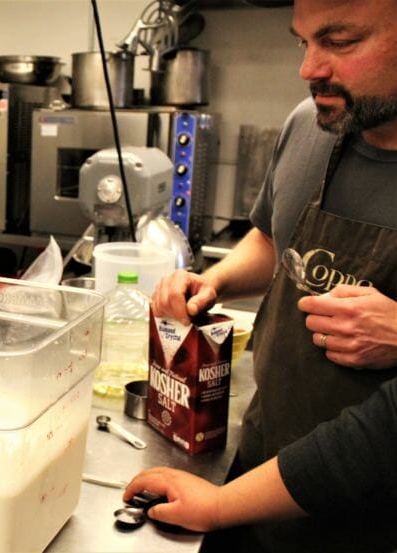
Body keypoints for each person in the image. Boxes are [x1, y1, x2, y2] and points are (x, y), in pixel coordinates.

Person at [146, 0, 397, 550]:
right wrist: (217, 280)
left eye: (340, 41)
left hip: (371, 518)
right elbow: (272, 236)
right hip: (260, 466)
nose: (309, 69)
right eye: (302, 42)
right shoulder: (309, 124)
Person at [123, 375, 397, 540]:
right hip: (263, 488)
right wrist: (220, 280)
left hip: (343, 525)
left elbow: (387, 425)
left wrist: (220, 505)